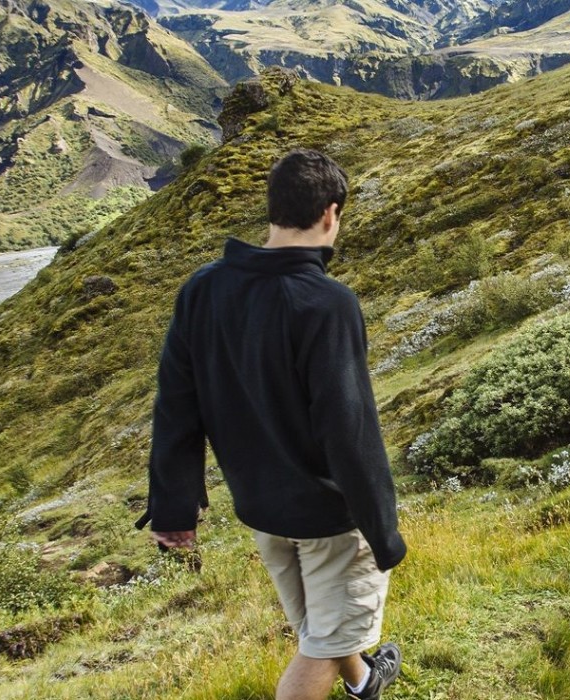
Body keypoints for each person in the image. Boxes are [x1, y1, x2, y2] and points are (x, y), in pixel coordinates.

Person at [141, 149, 407, 700]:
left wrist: (173, 508)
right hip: (327, 514)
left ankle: (365, 684)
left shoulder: (203, 289)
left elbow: (175, 408)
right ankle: (352, 676)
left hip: (261, 509)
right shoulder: (326, 302)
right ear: (331, 213)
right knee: (323, 645)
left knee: (323, 631)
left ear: (273, 209)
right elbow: (348, 428)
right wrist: (382, 530)